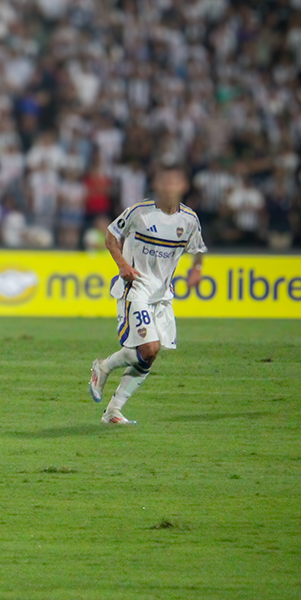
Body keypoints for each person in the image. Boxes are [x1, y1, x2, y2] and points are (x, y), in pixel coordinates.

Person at [88, 164, 205, 425]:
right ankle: (104, 367)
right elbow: (110, 236)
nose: (169, 187)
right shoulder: (139, 212)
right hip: (136, 289)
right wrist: (122, 265)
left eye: (174, 182)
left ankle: (113, 410)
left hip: (162, 295)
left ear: (183, 186)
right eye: (165, 182)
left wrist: (197, 270)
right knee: (149, 347)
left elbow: (198, 249)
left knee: (149, 355)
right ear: (157, 185)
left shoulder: (189, 219)